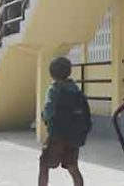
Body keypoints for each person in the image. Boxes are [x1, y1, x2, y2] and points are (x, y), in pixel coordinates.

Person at [39, 57, 90, 186]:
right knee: (73, 167)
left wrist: (43, 117)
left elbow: (48, 111)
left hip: (57, 135)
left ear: (52, 73)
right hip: (74, 135)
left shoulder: (54, 89)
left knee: (44, 165)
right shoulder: (77, 90)